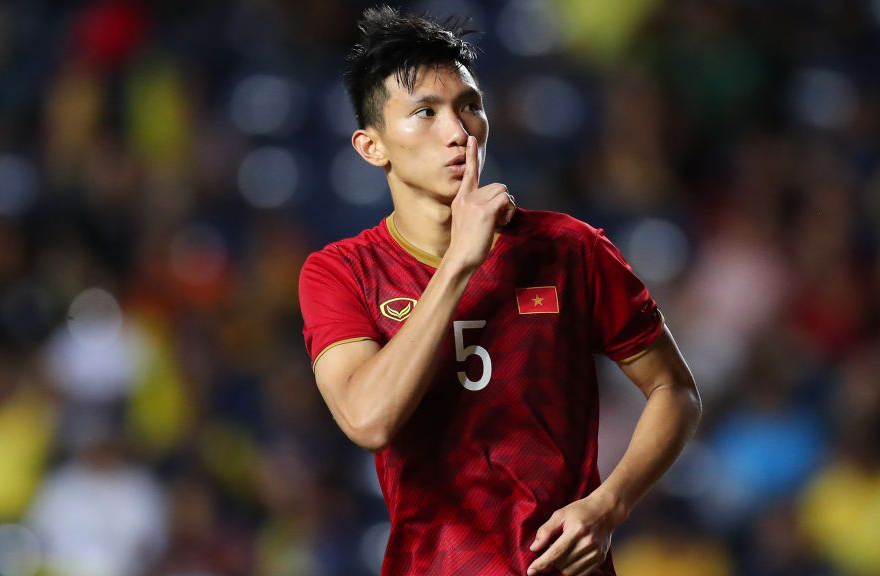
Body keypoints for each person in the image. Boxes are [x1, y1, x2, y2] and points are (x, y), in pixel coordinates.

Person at [298, 6, 702, 575]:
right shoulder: (342, 272)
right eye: (425, 113)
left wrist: (610, 505)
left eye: (470, 107)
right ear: (372, 147)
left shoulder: (569, 248)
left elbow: (675, 391)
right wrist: (460, 263)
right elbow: (369, 419)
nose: (458, 132)